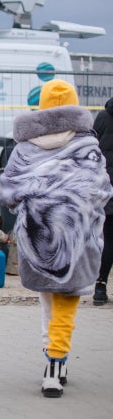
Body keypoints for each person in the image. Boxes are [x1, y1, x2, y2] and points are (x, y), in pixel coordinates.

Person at [0, 79, 112, 398]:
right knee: (66, 301)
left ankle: (54, 357)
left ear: (43, 106)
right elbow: (101, 189)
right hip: (79, 240)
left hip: (36, 238)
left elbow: (9, 190)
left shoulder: (24, 147)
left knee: (48, 299)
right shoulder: (87, 145)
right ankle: (56, 360)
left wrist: (36, 200)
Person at [91, 95, 113, 306]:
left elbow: (94, 151)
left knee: (109, 238)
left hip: (108, 185)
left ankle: (100, 285)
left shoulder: (104, 117)